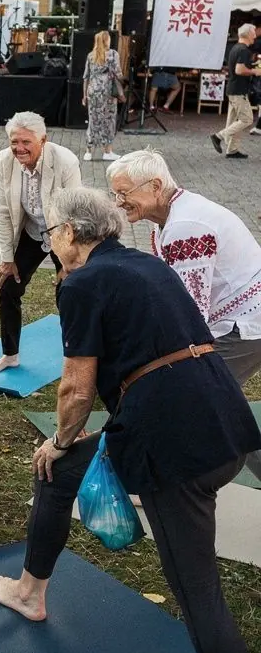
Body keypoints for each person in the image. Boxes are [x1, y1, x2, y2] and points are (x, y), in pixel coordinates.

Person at [0, 187, 261, 653]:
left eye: (51, 231)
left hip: (175, 444)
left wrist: (60, 437)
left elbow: (76, 389)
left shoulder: (82, 282)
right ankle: (31, 591)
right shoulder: (145, 264)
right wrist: (67, 450)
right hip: (224, 423)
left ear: (73, 234)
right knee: (58, 478)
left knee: (197, 590)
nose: (48, 241)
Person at [108, 149, 261, 479]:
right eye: (115, 193)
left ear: (155, 186)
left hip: (245, 326)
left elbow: (190, 312)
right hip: (240, 321)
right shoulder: (171, 218)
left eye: (124, 193)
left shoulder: (185, 226)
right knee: (218, 402)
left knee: (196, 399)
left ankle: (169, 480)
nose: (118, 202)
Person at [0, 112, 81, 375]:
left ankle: (76, 358)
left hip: (63, 233)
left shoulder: (65, 161)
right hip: (31, 231)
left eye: (26, 142)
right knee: (7, 287)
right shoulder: (4, 160)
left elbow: (74, 215)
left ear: (43, 140)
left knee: (70, 291)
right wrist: (8, 258)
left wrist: (68, 262)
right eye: (14, 141)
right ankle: (10, 355)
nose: (19, 148)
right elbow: (3, 210)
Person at [211, 23, 261, 159]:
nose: (255, 36)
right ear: (249, 34)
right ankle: (218, 136)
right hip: (239, 91)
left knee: (234, 121)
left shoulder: (235, 48)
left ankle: (232, 150)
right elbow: (240, 70)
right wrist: (255, 71)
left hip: (233, 89)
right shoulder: (244, 50)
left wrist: (252, 65)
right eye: (254, 33)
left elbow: (237, 67)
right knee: (247, 119)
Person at [82, 30, 123, 162]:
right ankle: (107, 151)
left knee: (93, 120)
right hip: (108, 93)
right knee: (109, 120)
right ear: (106, 40)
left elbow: (86, 77)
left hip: (93, 92)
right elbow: (118, 74)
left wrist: (84, 95)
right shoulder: (112, 54)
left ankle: (88, 151)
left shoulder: (91, 55)